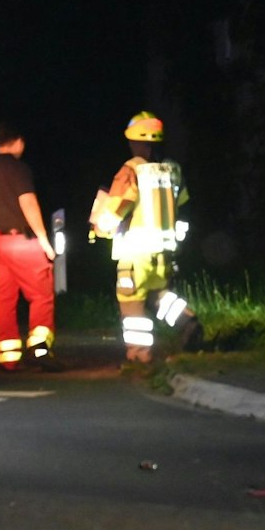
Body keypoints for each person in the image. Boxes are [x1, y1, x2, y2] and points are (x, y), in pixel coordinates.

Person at [90, 111, 201, 364]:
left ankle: (139, 356)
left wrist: (100, 226)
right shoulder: (172, 171)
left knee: (132, 304)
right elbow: (182, 204)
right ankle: (187, 321)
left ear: (136, 142)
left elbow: (117, 207)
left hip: (134, 252)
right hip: (162, 252)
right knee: (158, 295)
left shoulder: (130, 171)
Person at [0, 122, 55, 369]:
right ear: (18, 142)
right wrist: (44, 239)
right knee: (41, 295)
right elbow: (28, 203)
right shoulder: (18, 169)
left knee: (4, 298)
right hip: (23, 242)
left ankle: (8, 359)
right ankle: (39, 352)